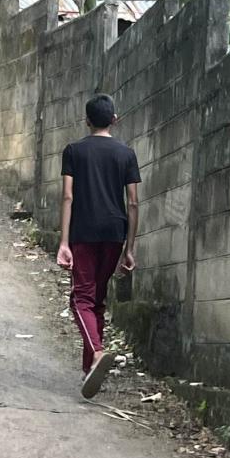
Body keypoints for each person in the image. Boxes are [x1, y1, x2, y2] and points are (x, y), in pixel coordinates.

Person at [56, 94, 140, 399]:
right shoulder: (126, 153)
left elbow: (68, 196)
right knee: (97, 300)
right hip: (115, 232)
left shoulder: (74, 151)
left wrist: (63, 241)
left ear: (87, 121)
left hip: (84, 231)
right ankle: (88, 368)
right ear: (115, 119)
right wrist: (129, 248)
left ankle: (95, 352)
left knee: (80, 299)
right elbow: (133, 202)